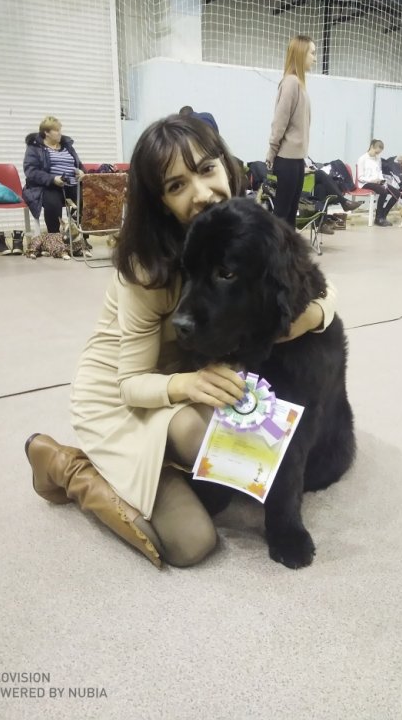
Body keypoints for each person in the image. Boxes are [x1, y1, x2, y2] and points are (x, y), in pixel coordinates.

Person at [24, 115, 339, 568]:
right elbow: (129, 382)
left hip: (180, 379)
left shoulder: (238, 225)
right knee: (191, 543)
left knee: (233, 455)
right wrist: (188, 386)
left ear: (227, 168)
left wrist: (315, 315)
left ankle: (170, 460)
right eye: (176, 186)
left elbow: (306, 273)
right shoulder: (144, 268)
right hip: (121, 396)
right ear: (159, 201)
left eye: (207, 170)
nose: (202, 192)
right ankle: (68, 467)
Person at [266, 34, 316, 227]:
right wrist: (272, 151)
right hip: (285, 160)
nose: (314, 57)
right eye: (312, 52)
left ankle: (289, 255)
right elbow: (279, 122)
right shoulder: (290, 83)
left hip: (296, 160)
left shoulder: (300, 85)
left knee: (290, 216)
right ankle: (273, 255)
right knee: (281, 215)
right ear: (301, 53)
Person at [23, 116, 84, 234]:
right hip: (49, 186)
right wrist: (52, 179)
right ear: (46, 132)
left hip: (72, 184)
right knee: (53, 204)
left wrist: (81, 171)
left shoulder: (67, 146)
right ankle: (54, 239)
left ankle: (79, 238)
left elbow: (78, 164)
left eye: (60, 130)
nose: (60, 133)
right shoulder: (35, 148)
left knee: (84, 201)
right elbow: (30, 171)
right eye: (56, 130)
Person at [356, 139, 400, 226]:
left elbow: (379, 171)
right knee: (383, 191)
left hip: (377, 182)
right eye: (376, 152)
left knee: (397, 193)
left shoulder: (378, 158)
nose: (377, 154)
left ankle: (383, 215)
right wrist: (372, 180)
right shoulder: (362, 159)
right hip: (365, 183)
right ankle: (378, 218)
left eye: (379, 153)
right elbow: (360, 177)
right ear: (371, 147)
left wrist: (381, 179)